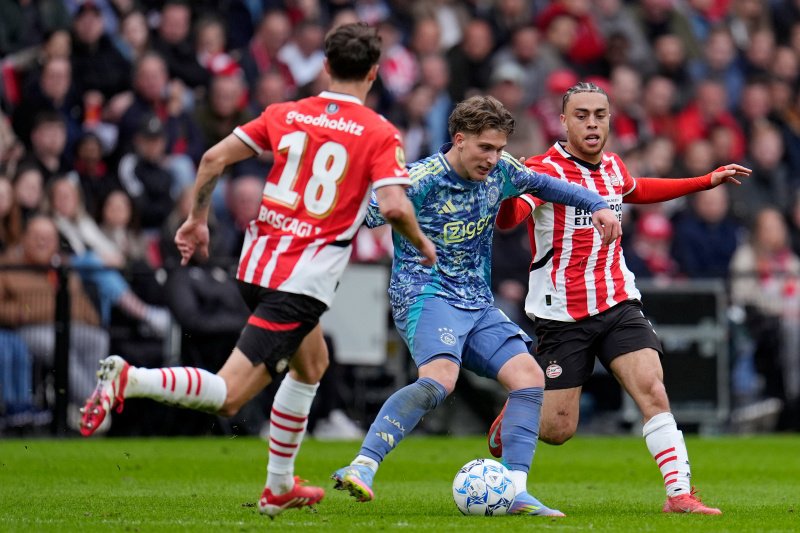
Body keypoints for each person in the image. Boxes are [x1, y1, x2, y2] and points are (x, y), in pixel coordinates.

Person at [78, 22, 436, 519]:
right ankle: (129, 379)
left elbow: (212, 158)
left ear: (325, 66)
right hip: (300, 283)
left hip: (255, 265)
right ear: (374, 73)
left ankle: (279, 486)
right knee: (229, 396)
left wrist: (196, 219)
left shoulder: (286, 113)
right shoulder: (379, 132)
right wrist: (422, 243)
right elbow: (394, 205)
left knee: (312, 364)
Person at [331, 95, 621, 517]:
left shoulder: (501, 171)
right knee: (440, 380)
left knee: (528, 377)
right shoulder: (423, 178)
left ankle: (515, 490)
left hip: (477, 302)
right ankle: (362, 465)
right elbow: (369, 212)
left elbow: (546, 185)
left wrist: (596, 204)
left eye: (499, 148)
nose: (493, 158)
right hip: (426, 295)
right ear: (459, 139)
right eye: (485, 147)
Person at [487, 81, 751, 515]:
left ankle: (679, 493)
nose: (592, 124)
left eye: (600, 115)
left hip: (617, 301)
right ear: (563, 121)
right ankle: (519, 411)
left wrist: (705, 181)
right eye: (582, 115)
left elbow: (638, 189)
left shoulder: (612, 165)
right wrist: (504, 194)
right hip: (562, 314)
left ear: (609, 120)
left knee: (652, 387)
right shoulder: (542, 169)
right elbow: (510, 218)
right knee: (557, 429)